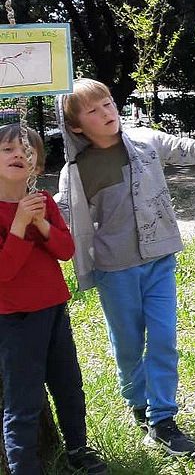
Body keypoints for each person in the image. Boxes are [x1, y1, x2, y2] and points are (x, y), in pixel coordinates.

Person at [56, 78, 195, 457]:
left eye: (108, 104)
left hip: (159, 261)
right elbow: (64, 214)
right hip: (114, 270)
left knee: (165, 338)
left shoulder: (146, 141)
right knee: (129, 344)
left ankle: (163, 417)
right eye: (93, 110)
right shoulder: (76, 171)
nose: (106, 113)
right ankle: (138, 403)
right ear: (75, 126)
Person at [0, 125, 106, 474]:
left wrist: (42, 224)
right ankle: (23, 466)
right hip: (14, 318)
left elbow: (66, 250)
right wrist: (18, 224)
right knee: (24, 399)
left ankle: (78, 449)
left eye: (26, 151)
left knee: (68, 385)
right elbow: (4, 272)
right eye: (8, 150)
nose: (18, 155)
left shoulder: (43, 201)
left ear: (37, 165)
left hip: (54, 309)